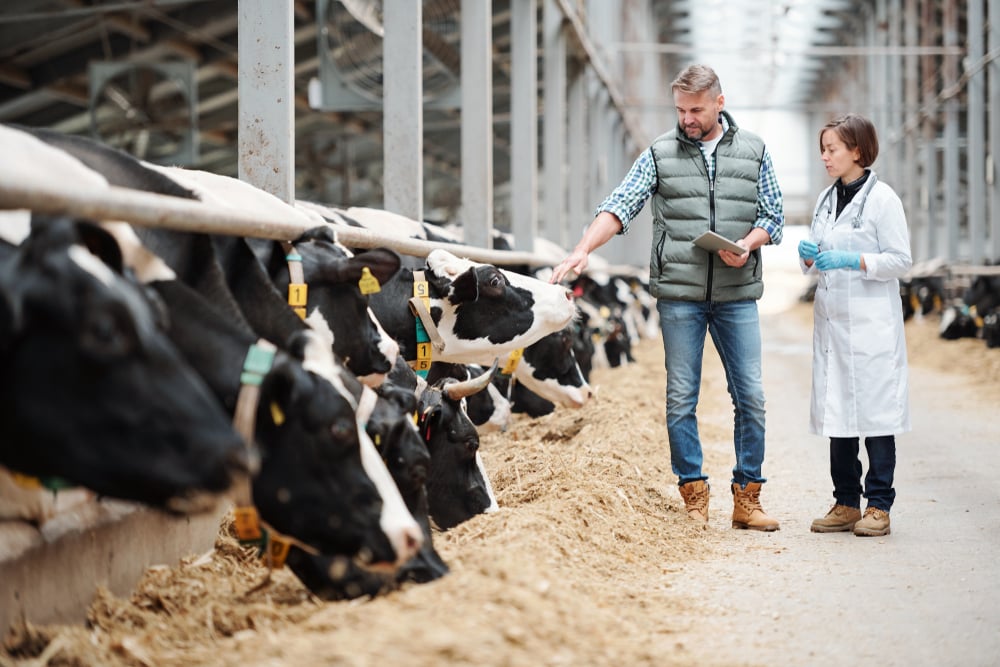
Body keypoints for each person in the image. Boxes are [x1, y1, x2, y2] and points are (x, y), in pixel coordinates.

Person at [550, 64, 784, 531]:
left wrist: (749, 244)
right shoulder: (660, 153)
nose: (687, 118)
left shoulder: (755, 149)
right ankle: (693, 493)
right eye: (680, 110)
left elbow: (772, 213)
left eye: (696, 109)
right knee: (681, 397)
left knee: (752, 397)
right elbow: (620, 204)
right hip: (680, 295)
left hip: (737, 293)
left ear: (720, 102)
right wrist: (582, 249)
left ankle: (747, 497)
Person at [798, 113, 911, 538]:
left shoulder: (884, 201)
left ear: (857, 151)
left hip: (871, 326)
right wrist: (808, 256)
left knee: (876, 417)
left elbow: (901, 260)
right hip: (833, 326)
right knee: (838, 415)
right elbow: (814, 261)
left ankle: (878, 505)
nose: (825, 157)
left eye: (832, 149)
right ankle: (846, 502)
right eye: (822, 149)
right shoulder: (826, 201)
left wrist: (856, 260)